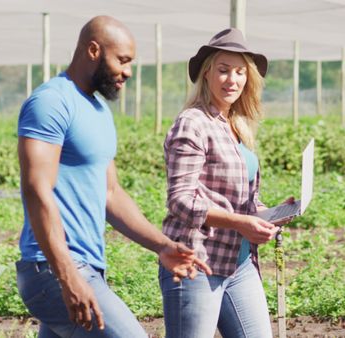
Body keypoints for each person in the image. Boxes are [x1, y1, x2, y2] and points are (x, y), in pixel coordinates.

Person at [15, 16, 210, 338]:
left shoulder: (98, 110)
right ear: (93, 50)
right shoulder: (51, 102)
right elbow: (36, 189)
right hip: (54, 269)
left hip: (85, 267)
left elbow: (111, 193)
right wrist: (68, 277)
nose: (128, 72)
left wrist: (162, 245)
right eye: (122, 60)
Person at [160, 27, 293, 338]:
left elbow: (242, 200)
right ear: (207, 74)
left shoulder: (236, 126)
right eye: (223, 70)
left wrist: (268, 214)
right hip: (197, 262)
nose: (232, 80)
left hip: (240, 263)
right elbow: (180, 199)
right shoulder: (192, 123)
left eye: (239, 72)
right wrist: (239, 223)